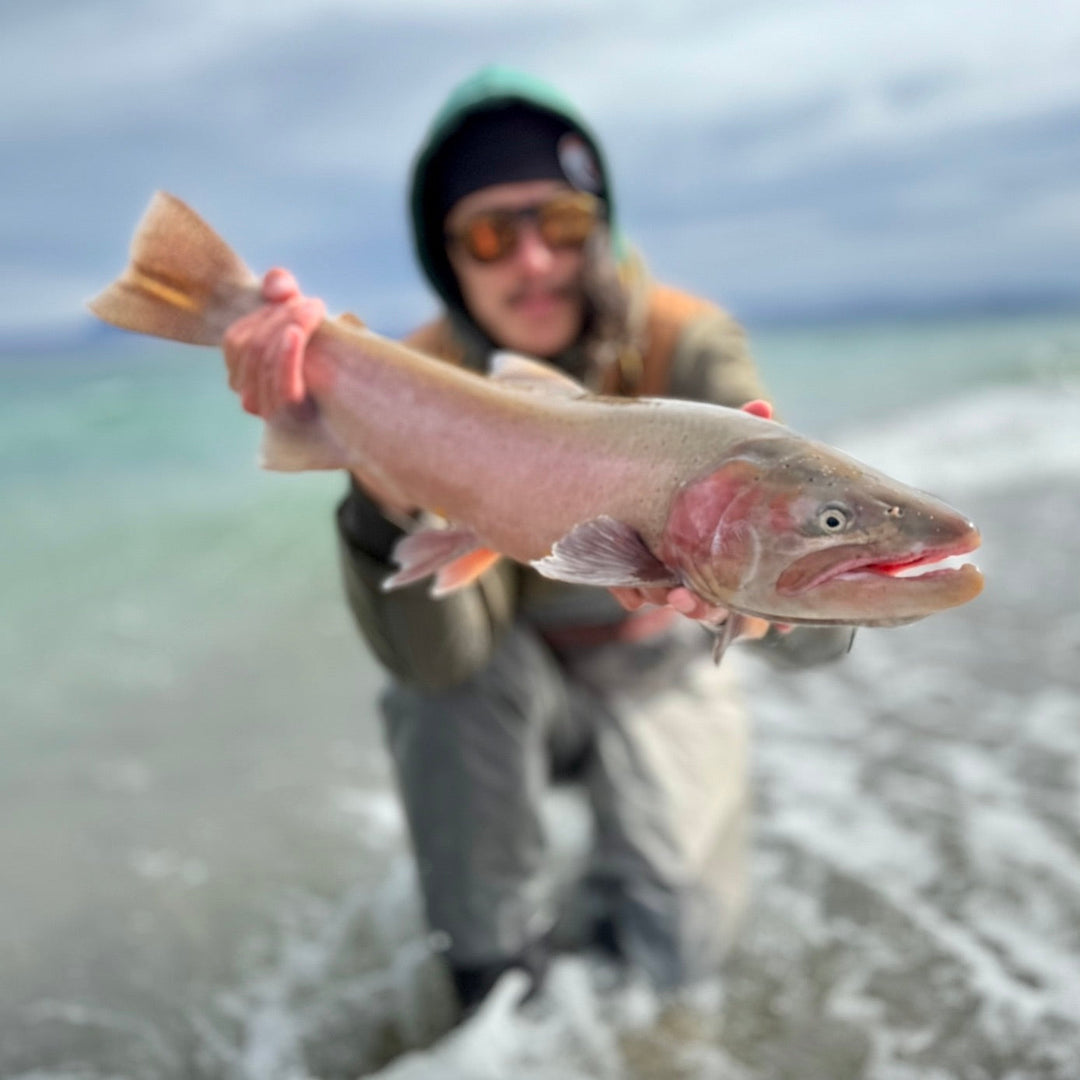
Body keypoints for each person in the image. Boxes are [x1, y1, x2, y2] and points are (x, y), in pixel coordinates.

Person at [223, 65, 850, 1013]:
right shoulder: (419, 381)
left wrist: (788, 605)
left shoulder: (689, 346)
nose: (531, 262)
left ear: (600, 225)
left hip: (658, 665)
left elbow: (819, 646)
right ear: (447, 258)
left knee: (680, 965)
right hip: (509, 681)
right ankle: (492, 994)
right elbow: (439, 663)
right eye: (487, 234)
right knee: (444, 703)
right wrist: (371, 473)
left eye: (557, 223)